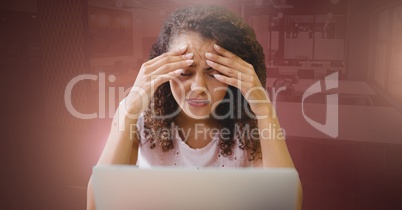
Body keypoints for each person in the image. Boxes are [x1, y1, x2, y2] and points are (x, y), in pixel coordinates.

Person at [87, 5, 302, 210]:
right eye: (185, 73)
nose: (199, 88)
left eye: (213, 73)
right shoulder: (143, 125)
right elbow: (98, 204)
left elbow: (285, 204)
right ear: (164, 72)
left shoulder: (249, 128)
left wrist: (264, 109)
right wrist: (128, 109)